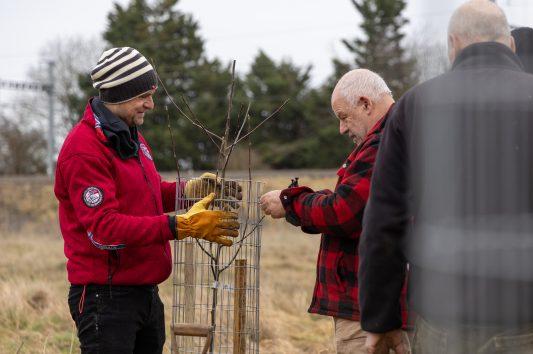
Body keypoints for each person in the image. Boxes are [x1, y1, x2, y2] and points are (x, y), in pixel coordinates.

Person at [359, 1, 533, 353]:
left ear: (453, 43)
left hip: (445, 321)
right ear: (511, 44)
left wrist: (380, 319)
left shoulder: (415, 105)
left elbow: (385, 219)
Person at [54, 47, 241, 354]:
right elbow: (104, 228)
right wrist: (181, 226)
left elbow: (149, 196)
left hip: (146, 294)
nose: (150, 105)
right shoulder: (84, 149)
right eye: (143, 95)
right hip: (107, 299)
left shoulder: (131, 137)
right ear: (118, 93)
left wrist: (189, 191)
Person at [260, 69, 409, 354]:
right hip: (378, 303)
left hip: (369, 309)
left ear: (365, 104)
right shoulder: (395, 134)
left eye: (343, 117)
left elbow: (345, 211)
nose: (341, 129)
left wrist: (290, 202)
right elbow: (356, 201)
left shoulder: (383, 143)